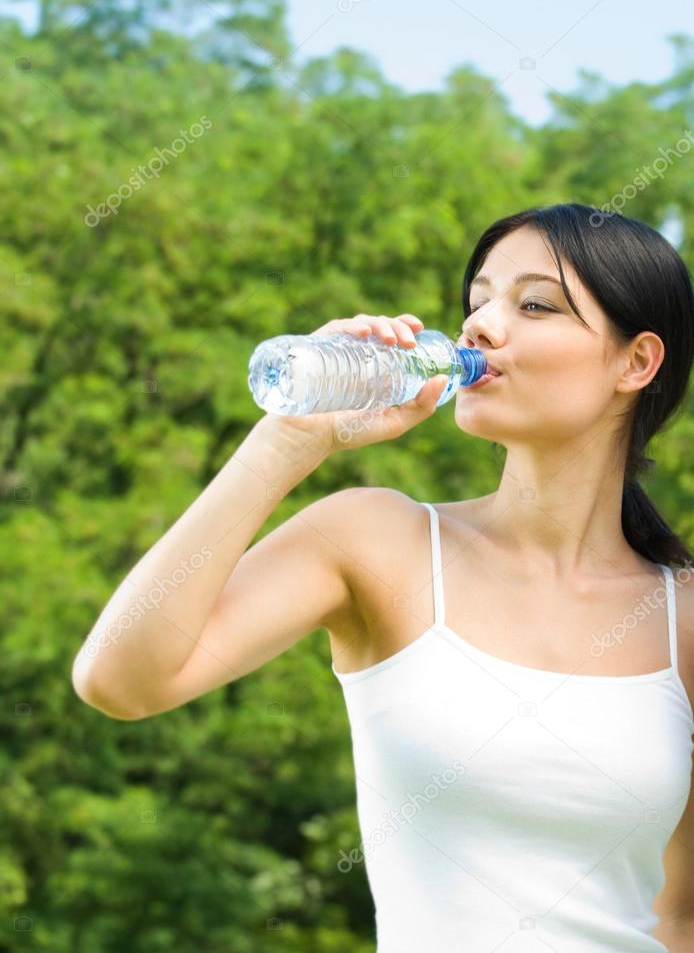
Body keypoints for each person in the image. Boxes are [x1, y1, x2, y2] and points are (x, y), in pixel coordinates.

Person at [72, 202, 694, 951]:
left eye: (533, 304)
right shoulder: (377, 540)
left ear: (637, 362)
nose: (481, 327)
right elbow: (121, 679)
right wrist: (288, 440)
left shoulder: (680, 617)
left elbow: (681, 913)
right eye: (478, 303)